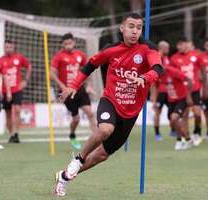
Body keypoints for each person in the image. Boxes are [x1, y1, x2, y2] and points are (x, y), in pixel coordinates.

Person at [53, 13, 165, 196]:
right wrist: (73, 86)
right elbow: (91, 64)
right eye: (131, 26)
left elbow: (158, 68)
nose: (135, 31)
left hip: (131, 112)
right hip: (110, 101)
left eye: (139, 27)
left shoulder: (149, 48)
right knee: (105, 130)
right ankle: (79, 159)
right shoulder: (111, 50)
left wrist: (145, 77)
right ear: (122, 28)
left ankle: (64, 177)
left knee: (101, 156)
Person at [50, 33, 96, 150]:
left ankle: (97, 139)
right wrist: (62, 86)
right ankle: (72, 135)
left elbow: (88, 70)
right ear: (62, 45)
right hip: (66, 92)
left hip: (79, 89)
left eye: (70, 43)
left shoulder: (80, 55)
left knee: (90, 113)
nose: (68, 46)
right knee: (76, 119)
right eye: (65, 44)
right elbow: (52, 74)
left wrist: (89, 85)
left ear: (74, 42)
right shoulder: (58, 57)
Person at [170, 37, 208, 146]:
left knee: (197, 113)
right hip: (182, 91)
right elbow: (172, 75)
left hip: (195, 90)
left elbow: (203, 71)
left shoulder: (196, 56)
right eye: (178, 45)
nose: (179, 47)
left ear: (187, 44)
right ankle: (185, 137)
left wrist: (205, 88)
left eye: (181, 44)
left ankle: (197, 132)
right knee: (184, 115)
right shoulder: (174, 58)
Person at [0, 40, 32, 143]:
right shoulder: (0, 60)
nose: (8, 49)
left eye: (10, 47)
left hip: (17, 89)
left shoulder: (19, 57)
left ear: (14, 47)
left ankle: (16, 133)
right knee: (8, 113)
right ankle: (12, 134)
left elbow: (29, 66)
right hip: (5, 91)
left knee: (17, 110)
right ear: (4, 48)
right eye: (7, 47)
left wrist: (25, 80)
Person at [162, 66, 193, 150]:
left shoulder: (173, 72)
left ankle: (179, 140)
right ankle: (188, 139)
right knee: (172, 122)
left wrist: (189, 96)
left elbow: (189, 80)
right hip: (171, 101)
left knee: (174, 118)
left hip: (181, 99)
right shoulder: (158, 74)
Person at [150, 40, 170, 141]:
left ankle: (173, 130)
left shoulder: (166, 58)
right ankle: (157, 133)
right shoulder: (157, 58)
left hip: (168, 90)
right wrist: (153, 97)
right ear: (162, 48)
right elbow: (154, 82)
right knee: (158, 111)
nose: (169, 50)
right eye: (167, 48)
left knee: (172, 110)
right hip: (160, 91)